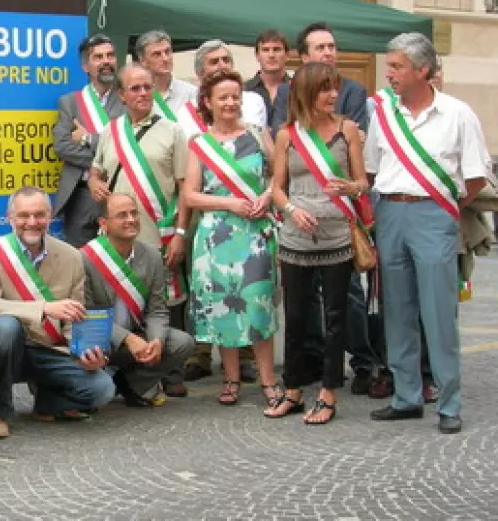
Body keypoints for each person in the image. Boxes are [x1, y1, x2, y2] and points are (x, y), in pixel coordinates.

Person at [366, 33, 490, 434]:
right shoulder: (383, 114)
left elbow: (475, 176)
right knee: (397, 309)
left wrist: (444, 205)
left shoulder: (458, 113)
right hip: (390, 212)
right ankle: (406, 396)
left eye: (397, 66)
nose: (389, 74)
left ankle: (449, 401)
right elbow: (371, 169)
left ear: (423, 70)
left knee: (438, 311)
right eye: (389, 66)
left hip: (434, 214)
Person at [271, 22, 375, 394]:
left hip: (336, 234)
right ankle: (294, 389)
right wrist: (290, 211)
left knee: (336, 316)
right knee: (296, 317)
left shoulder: (348, 130)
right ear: (307, 92)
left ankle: (331, 391)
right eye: (325, 89)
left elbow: (363, 182)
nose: (334, 95)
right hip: (297, 236)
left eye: (335, 87)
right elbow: (276, 189)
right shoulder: (287, 134)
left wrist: (352, 186)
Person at [87, 64, 192, 398]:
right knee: (117, 305)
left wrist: (180, 232)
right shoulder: (110, 131)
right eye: (135, 88)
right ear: (122, 94)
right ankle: (125, 370)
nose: (143, 93)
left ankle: (169, 371)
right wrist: (93, 181)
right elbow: (97, 170)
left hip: (158, 233)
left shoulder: (173, 131)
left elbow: (184, 187)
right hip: (118, 239)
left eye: (147, 87)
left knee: (167, 304)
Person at [182, 69, 281, 408]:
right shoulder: (199, 144)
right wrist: (230, 203)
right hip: (216, 238)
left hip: (253, 233)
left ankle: (268, 380)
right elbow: (191, 196)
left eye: (235, 96)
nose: (230, 102)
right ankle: (231, 378)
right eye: (222, 97)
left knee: (258, 306)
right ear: (208, 102)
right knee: (224, 308)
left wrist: (267, 197)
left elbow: (280, 177)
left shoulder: (257, 135)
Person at [0, 186, 110, 439]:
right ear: (10, 218)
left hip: (50, 350)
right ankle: (1, 413)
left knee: (102, 389)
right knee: (7, 326)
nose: (32, 222)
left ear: (50, 217)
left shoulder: (72, 256)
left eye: (39, 215)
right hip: (9, 347)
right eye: (23, 216)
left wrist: (84, 351)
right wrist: (44, 308)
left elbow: (76, 315)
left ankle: (47, 402)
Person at [81, 194, 195, 409]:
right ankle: (98, 382)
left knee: (182, 342)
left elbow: (158, 310)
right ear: (104, 223)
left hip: (138, 339)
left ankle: (129, 384)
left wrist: (157, 341)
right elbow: (85, 315)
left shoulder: (152, 256)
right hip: (98, 340)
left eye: (134, 213)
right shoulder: (85, 259)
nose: (131, 219)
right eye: (122, 215)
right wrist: (127, 339)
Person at [53, 33, 126, 248]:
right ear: (86, 66)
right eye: (98, 57)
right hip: (82, 196)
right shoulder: (70, 102)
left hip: (121, 192)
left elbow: (129, 146)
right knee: (81, 261)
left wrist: (87, 138)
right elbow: (63, 146)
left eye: (110, 55)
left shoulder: (128, 99)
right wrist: (106, 155)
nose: (106, 61)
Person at [175, 40, 268, 138]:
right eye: (214, 62)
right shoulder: (186, 113)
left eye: (226, 60)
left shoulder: (253, 101)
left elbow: (255, 140)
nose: (222, 66)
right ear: (200, 73)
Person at [133, 30, 196, 113]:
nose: (165, 58)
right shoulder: (135, 96)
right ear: (143, 61)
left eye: (167, 52)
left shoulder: (191, 93)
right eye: (157, 54)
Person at [244, 29, 291, 127]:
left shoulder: (298, 89)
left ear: (287, 55)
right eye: (265, 50)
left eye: (277, 49)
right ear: (257, 56)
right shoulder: (244, 90)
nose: (271, 55)